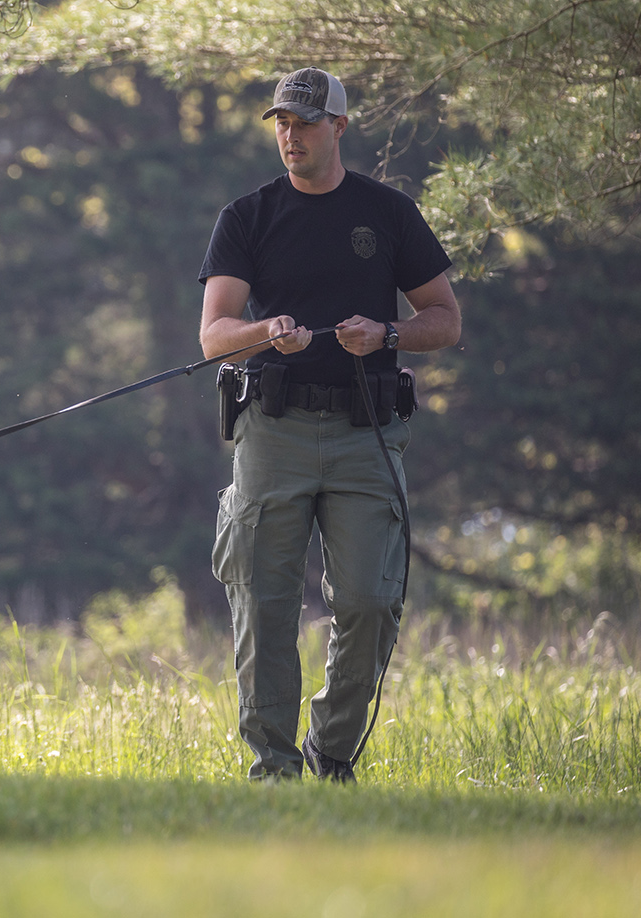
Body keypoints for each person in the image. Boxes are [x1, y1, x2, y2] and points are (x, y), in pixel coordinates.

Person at [197, 67, 461, 781]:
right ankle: (274, 771)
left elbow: (444, 319)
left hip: (363, 431)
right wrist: (264, 331)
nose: (292, 135)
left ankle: (331, 751)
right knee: (265, 606)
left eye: (306, 123)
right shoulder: (246, 216)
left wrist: (387, 333)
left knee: (373, 603)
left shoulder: (390, 213)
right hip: (272, 433)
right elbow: (214, 334)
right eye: (282, 122)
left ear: (339, 127)